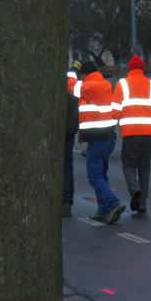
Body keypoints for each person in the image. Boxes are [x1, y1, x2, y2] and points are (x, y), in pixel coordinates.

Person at [111, 54, 151, 213]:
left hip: (130, 132)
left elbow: (115, 111)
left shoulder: (122, 85)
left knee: (129, 164)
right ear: (142, 68)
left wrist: (112, 128)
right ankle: (142, 202)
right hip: (149, 132)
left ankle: (134, 188)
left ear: (129, 69)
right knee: (144, 166)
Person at [74, 60, 125, 224]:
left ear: (84, 73)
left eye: (79, 74)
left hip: (98, 140)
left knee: (94, 176)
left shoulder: (90, 85)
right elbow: (91, 113)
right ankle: (103, 210)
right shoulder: (102, 83)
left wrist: (71, 69)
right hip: (106, 138)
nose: (78, 77)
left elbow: (70, 86)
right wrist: (83, 132)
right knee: (101, 175)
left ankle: (114, 202)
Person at [62, 60, 81, 217]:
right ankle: (67, 201)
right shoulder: (72, 83)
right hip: (69, 128)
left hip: (58, 129)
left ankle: (63, 200)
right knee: (67, 166)